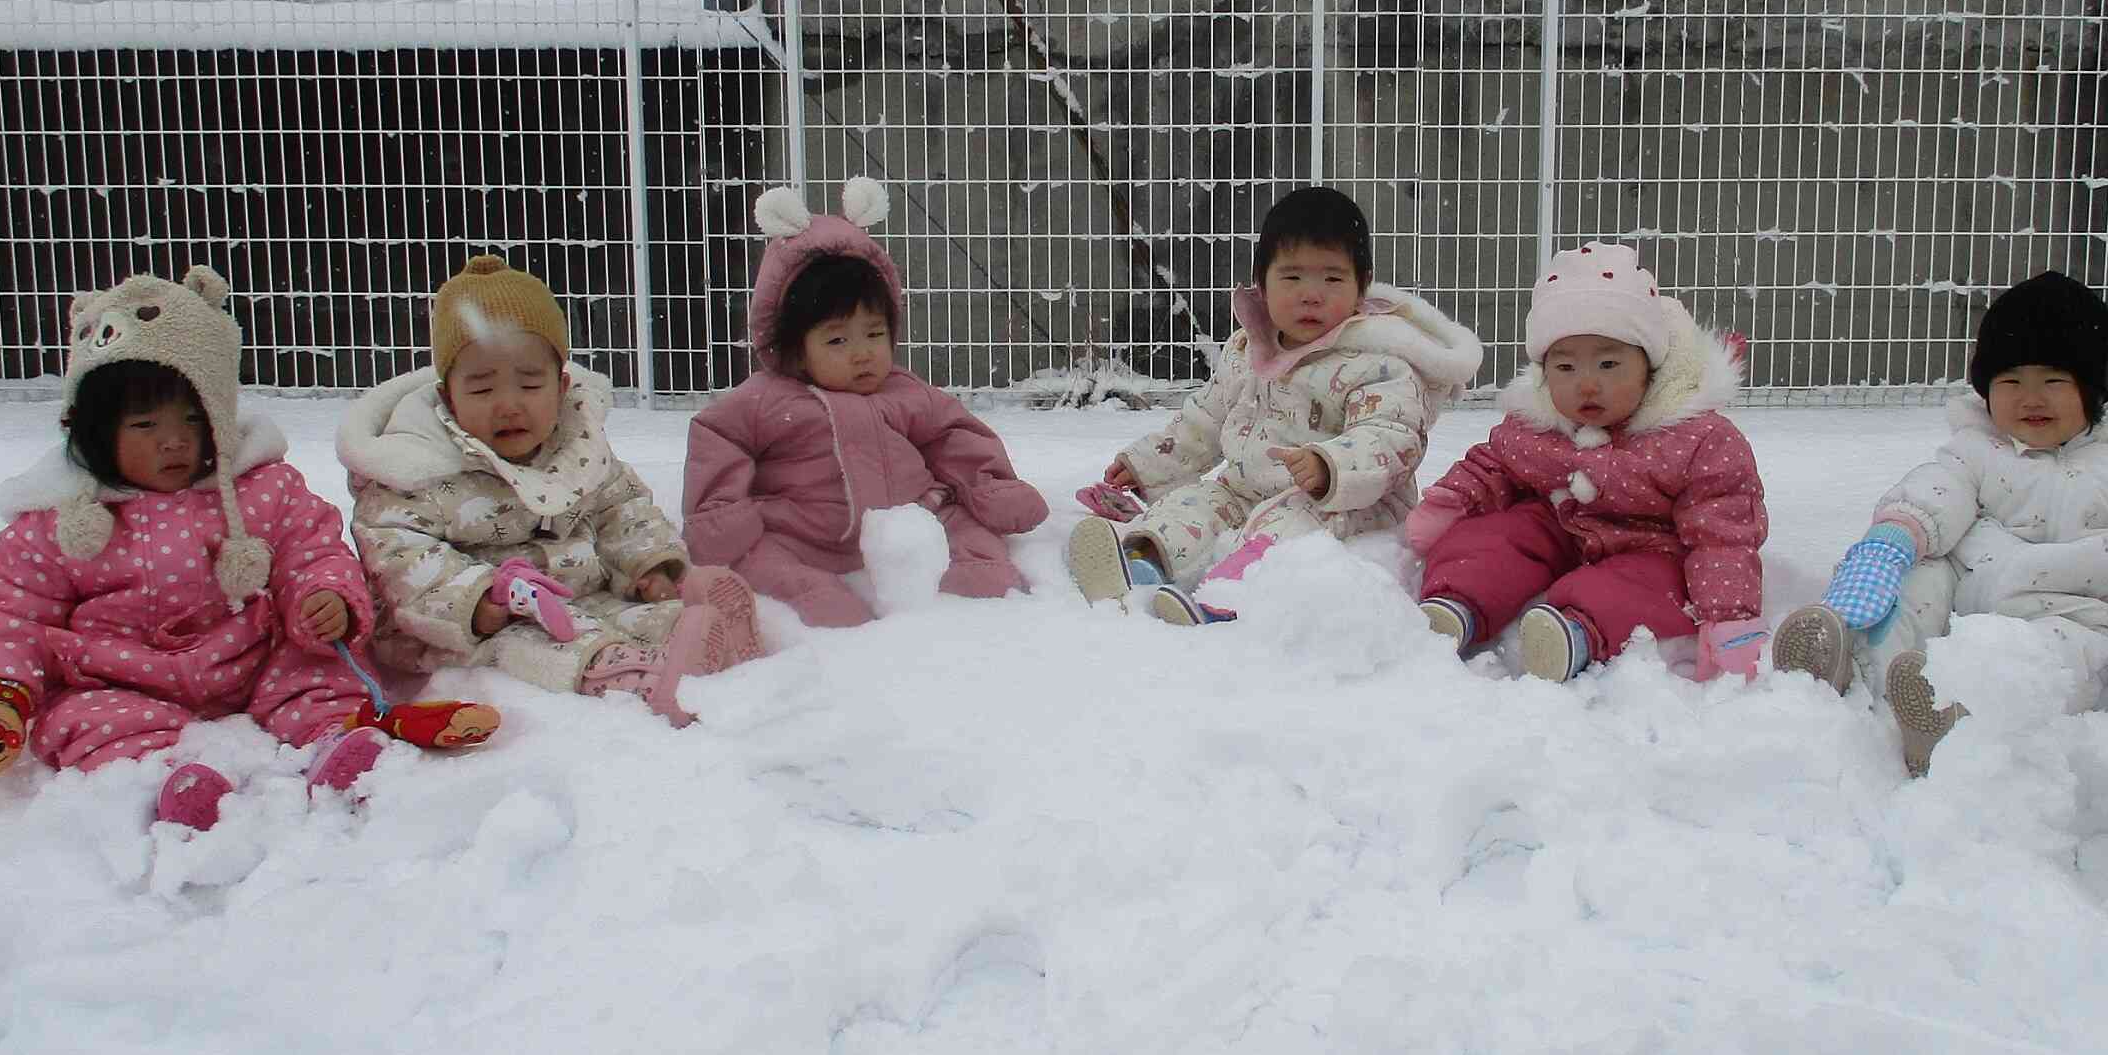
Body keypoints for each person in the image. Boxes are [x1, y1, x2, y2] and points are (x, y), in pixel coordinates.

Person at [0, 266, 494, 832]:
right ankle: (166, 778)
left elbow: (312, 549)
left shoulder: (262, 487)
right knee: (85, 718)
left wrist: (324, 594)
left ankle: (337, 742)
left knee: (314, 669)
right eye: (144, 424)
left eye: (194, 418)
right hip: (118, 675)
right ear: (90, 430)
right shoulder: (59, 519)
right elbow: (9, 613)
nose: (175, 440)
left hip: (250, 654)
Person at [1772, 271, 2108, 775]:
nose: (2031, 398)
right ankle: (1850, 668)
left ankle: (1954, 716)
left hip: (2082, 620)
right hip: (1973, 601)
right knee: (1920, 577)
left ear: (2096, 387)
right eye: (2010, 382)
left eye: (2053, 381)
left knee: (2042, 660)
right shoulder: (1979, 449)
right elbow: (1938, 487)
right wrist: (1893, 540)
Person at [340, 255, 761, 726]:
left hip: (579, 593)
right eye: (481, 390)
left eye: (529, 383)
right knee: (550, 643)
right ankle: (626, 678)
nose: (508, 405)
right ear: (447, 396)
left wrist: (650, 565)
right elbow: (398, 556)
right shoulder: (414, 469)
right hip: (473, 629)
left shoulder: (574, 447)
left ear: (561, 387)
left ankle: (694, 632)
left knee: (636, 618)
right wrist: (482, 601)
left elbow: (619, 507)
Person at [1065, 187, 1482, 625]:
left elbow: (1392, 437)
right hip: (1245, 488)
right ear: (1262, 284)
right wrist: (1147, 464)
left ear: (1362, 285)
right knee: (1195, 503)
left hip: (1343, 500)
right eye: (1293, 277)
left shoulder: (1378, 363)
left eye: (1333, 278)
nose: (1311, 295)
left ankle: (1231, 595)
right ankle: (1142, 562)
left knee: (1287, 525)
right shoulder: (1249, 349)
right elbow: (1207, 417)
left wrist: (1328, 466)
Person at [683, 180, 1046, 625]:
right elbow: (718, 439)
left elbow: (956, 436)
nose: (863, 353)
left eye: (875, 334)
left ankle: (979, 576)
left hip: (910, 517)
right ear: (795, 348)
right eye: (837, 339)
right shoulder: (766, 399)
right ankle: (810, 594)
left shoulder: (906, 391)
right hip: (803, 530)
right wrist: (721, 516)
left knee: (964, 524)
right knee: (762, 557)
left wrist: (990, 485)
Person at [1405, 243, 1767, 683]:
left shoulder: (1696, 438)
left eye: (1609, 363)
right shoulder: (1539, 422)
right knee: (1504, 533)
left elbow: (1722, 536)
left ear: (1649, 367)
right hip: (1562, 523)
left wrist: (1729, 619)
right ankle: (1457, 602)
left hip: (1651, 546)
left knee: (1644, 587)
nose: (1587, 385)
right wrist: (1454, 499)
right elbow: (1496, 463)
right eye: (1566, 367)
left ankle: (1575, 631)